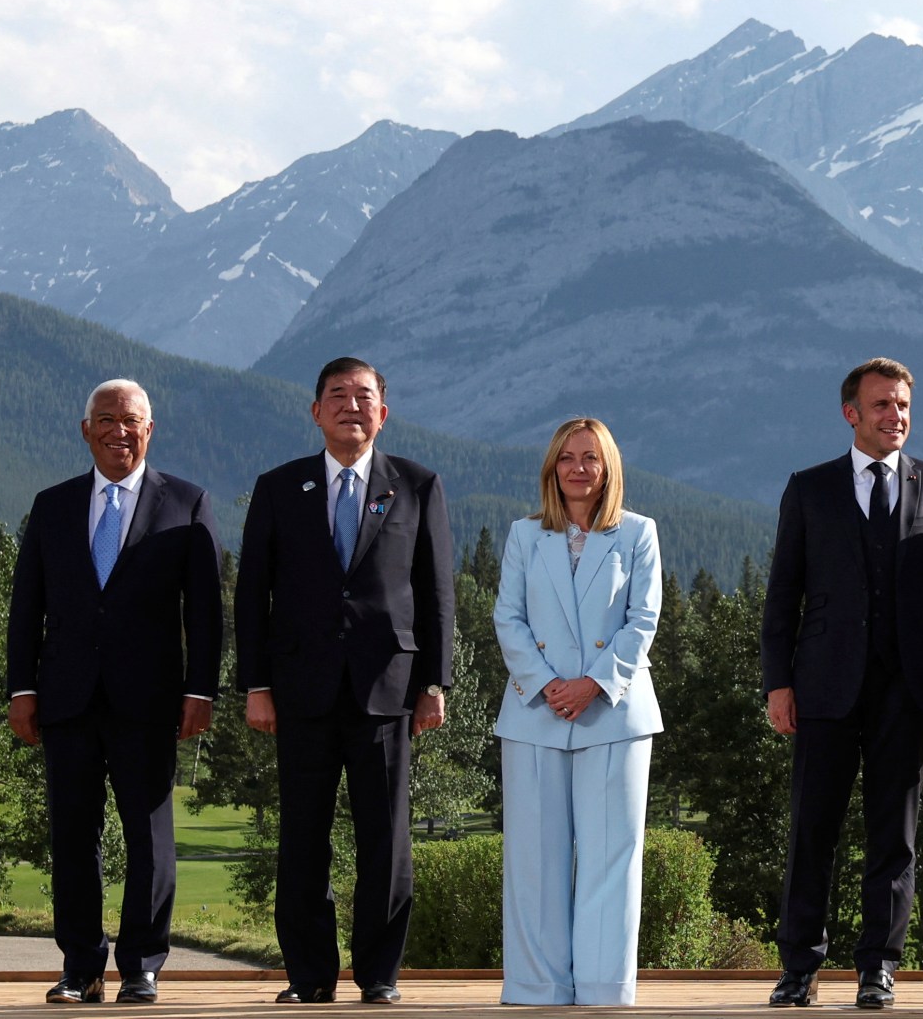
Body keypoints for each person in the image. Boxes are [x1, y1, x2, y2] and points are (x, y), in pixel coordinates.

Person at [237, 357, 456, 1006]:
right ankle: (307, 977)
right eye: (337, 395)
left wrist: (435, 682)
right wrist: (254, 683)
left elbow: (436, 591)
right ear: (315, 411)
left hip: (387, 686)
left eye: (364, 396)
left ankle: (379, 974)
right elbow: (252, 595)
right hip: (299, 687)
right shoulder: (279, 488)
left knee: (384, 839)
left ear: (383, 413)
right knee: (302, 836)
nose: (351, 406)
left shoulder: (416, 485)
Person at [760, 358, 923, 1010]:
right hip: (823, 686)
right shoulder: (809, 489)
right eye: (882, 404)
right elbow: (782, 597)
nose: (896, 415)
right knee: (812, 829)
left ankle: (878, 965)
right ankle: (799, 966)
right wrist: (779, 682)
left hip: (907, 691)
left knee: (895, 833)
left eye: (904, 405)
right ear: (851, 412)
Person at [7, 379, 223, 1006]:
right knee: (72, 835)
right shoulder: (52, 506)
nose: (118, 431)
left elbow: (206, 614)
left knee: (148, 836)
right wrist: (22, 688)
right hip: (65, 698)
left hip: (151, 700)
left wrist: (201, 691)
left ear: (149, 430)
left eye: (130, 420)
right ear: (85, 430)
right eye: (105, 419)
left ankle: (141, 966)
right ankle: (80, 967)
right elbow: (27, 608)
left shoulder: (187, 503)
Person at [494, 417, 665, 1006]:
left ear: (609, 467)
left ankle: (602, 989)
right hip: (534, 712)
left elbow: (643, 621)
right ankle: (536, 987)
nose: (578, 468)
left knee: (611, 858)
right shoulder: (523, 535)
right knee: (534, 860)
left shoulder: (639, 533)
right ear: (552, 467)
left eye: (590, 457)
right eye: (567, 457)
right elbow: (507, 618)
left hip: (614, 712)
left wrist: (592, 683)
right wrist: (548, 685)